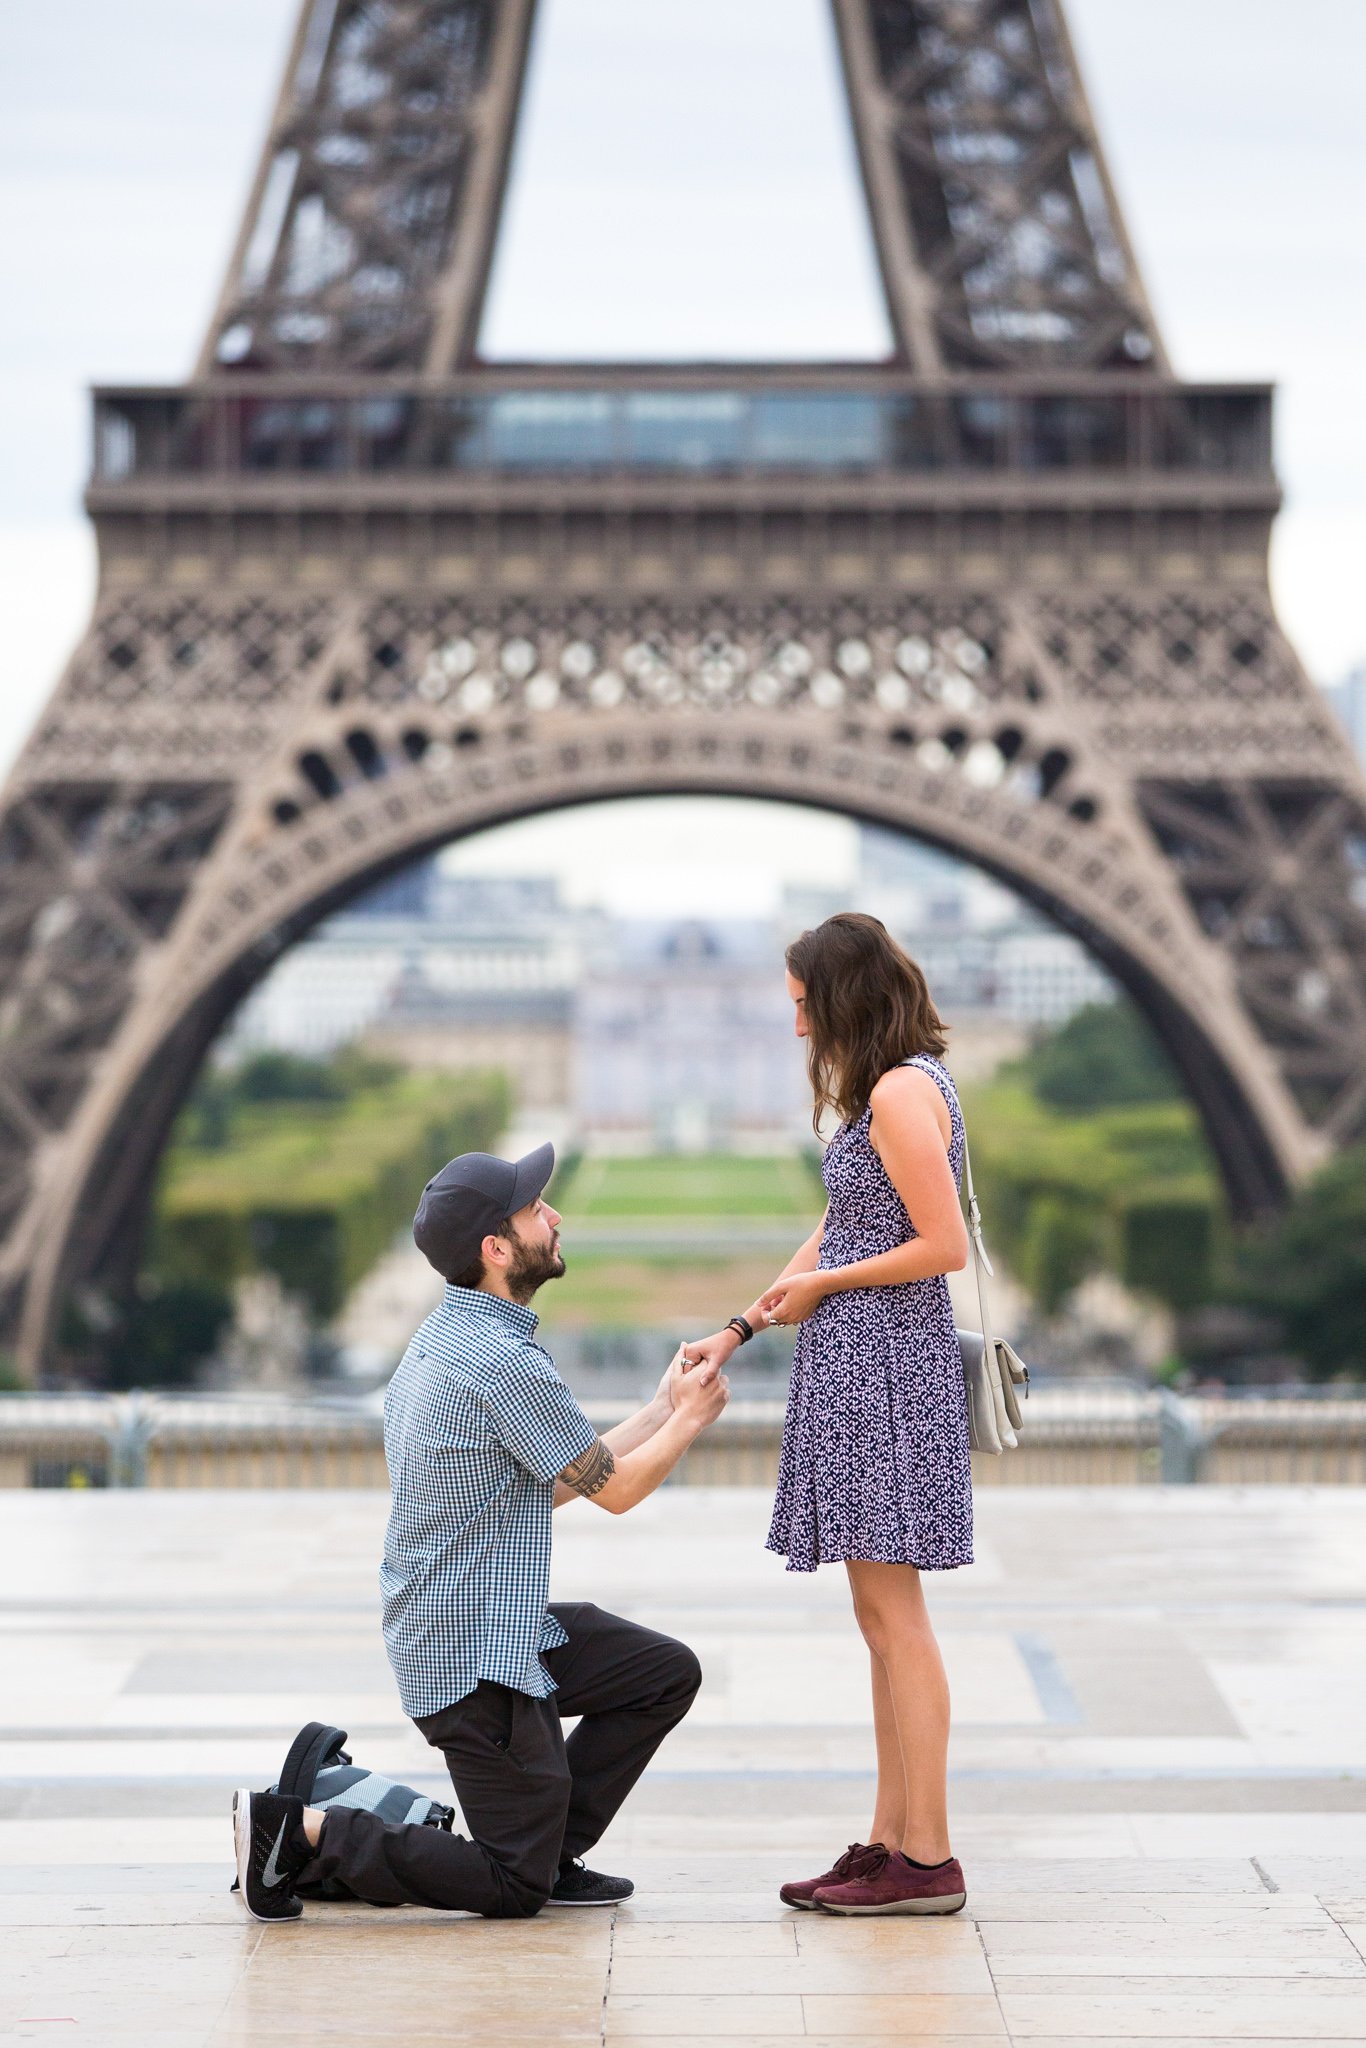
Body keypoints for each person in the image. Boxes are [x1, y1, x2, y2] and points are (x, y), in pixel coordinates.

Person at [233, 1140, 729, 1924]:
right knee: (508, 1885)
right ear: (497, 1249)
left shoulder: (446, 1339)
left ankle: (548, 1847)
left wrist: (664, 1408)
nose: (555, 1215)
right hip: (475, 1659)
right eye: (536, 1209)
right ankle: (302, 1831)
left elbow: (560, 1476)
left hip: (485, 1626)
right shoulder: (502, 1362)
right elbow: (620, 1491)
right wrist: (694, 1421)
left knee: (661, 1673)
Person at [685, 912, 972, 1917]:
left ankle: (926, 1855)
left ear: (842, 996)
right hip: (860, 1366)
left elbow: (944, 1245)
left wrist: (827, 1287)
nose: (797, 1024)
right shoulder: (884, 1094)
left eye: (804, 1002)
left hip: (886, 1370)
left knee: (896, 1619)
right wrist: (737, 1327)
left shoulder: (898, 1092)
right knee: (877, 1619)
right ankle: (891, 1838)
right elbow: (833, 1231)